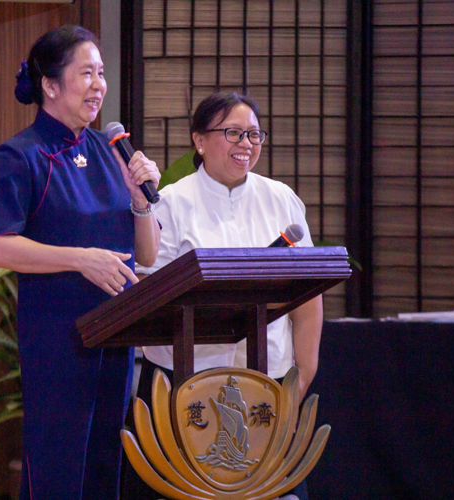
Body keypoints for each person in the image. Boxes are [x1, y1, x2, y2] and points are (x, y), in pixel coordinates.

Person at [0, 25, 161, 500]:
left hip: (116, 334)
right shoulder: (21, 155)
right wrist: (79, 260)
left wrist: (142, 201)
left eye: (101, 74)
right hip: (58, 337)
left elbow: (147, 254)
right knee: (58, 470)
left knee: (105, 467)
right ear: (51, 85)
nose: (99, 84)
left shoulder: (107, 149)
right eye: (86, 73)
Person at [122, 92, 323, 500]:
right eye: (233, 133)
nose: (246, 144)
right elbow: (146, 295)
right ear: (199, 140)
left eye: (254, 134)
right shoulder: (172, 204)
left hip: (268, 382)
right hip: (184, 389)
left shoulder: (280, 199)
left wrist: (303, 373)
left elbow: (307, 294)